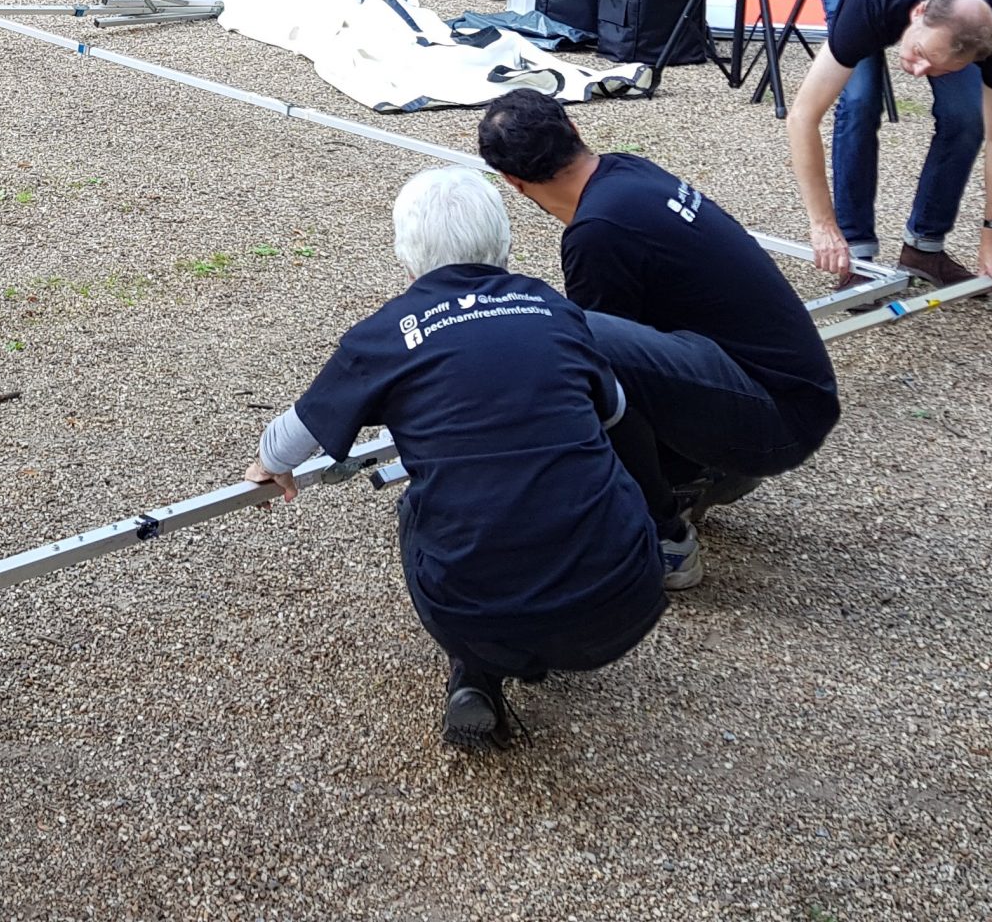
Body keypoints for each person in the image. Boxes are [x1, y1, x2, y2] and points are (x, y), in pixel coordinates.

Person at [245, 168, 663, 747]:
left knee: (417, 506)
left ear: (405, 257)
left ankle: (477, 667)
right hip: (625, 604)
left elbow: (294, 436)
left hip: (478, 614)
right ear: (504, 245)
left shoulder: (387, 333)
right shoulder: (550, 307)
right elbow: (613, 409)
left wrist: (267, 463)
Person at [478, 90, 840, 589]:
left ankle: (664, 535)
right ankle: (696, 475)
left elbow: (595, 387)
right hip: (795, 392)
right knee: (594, 348)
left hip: (774, 421)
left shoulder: (597, 233)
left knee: (579, 342)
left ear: (514, 183)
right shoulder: (629, 173)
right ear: (575, 130)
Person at [785, 0, 992, 291]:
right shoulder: (869, 4)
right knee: (860, 102)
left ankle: (924, 250)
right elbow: (802, 117)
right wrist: (822, 225)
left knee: (965, 116)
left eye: (938, 68)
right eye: (919, 53)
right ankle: (857, 255)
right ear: (917, 15)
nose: (918, 70)